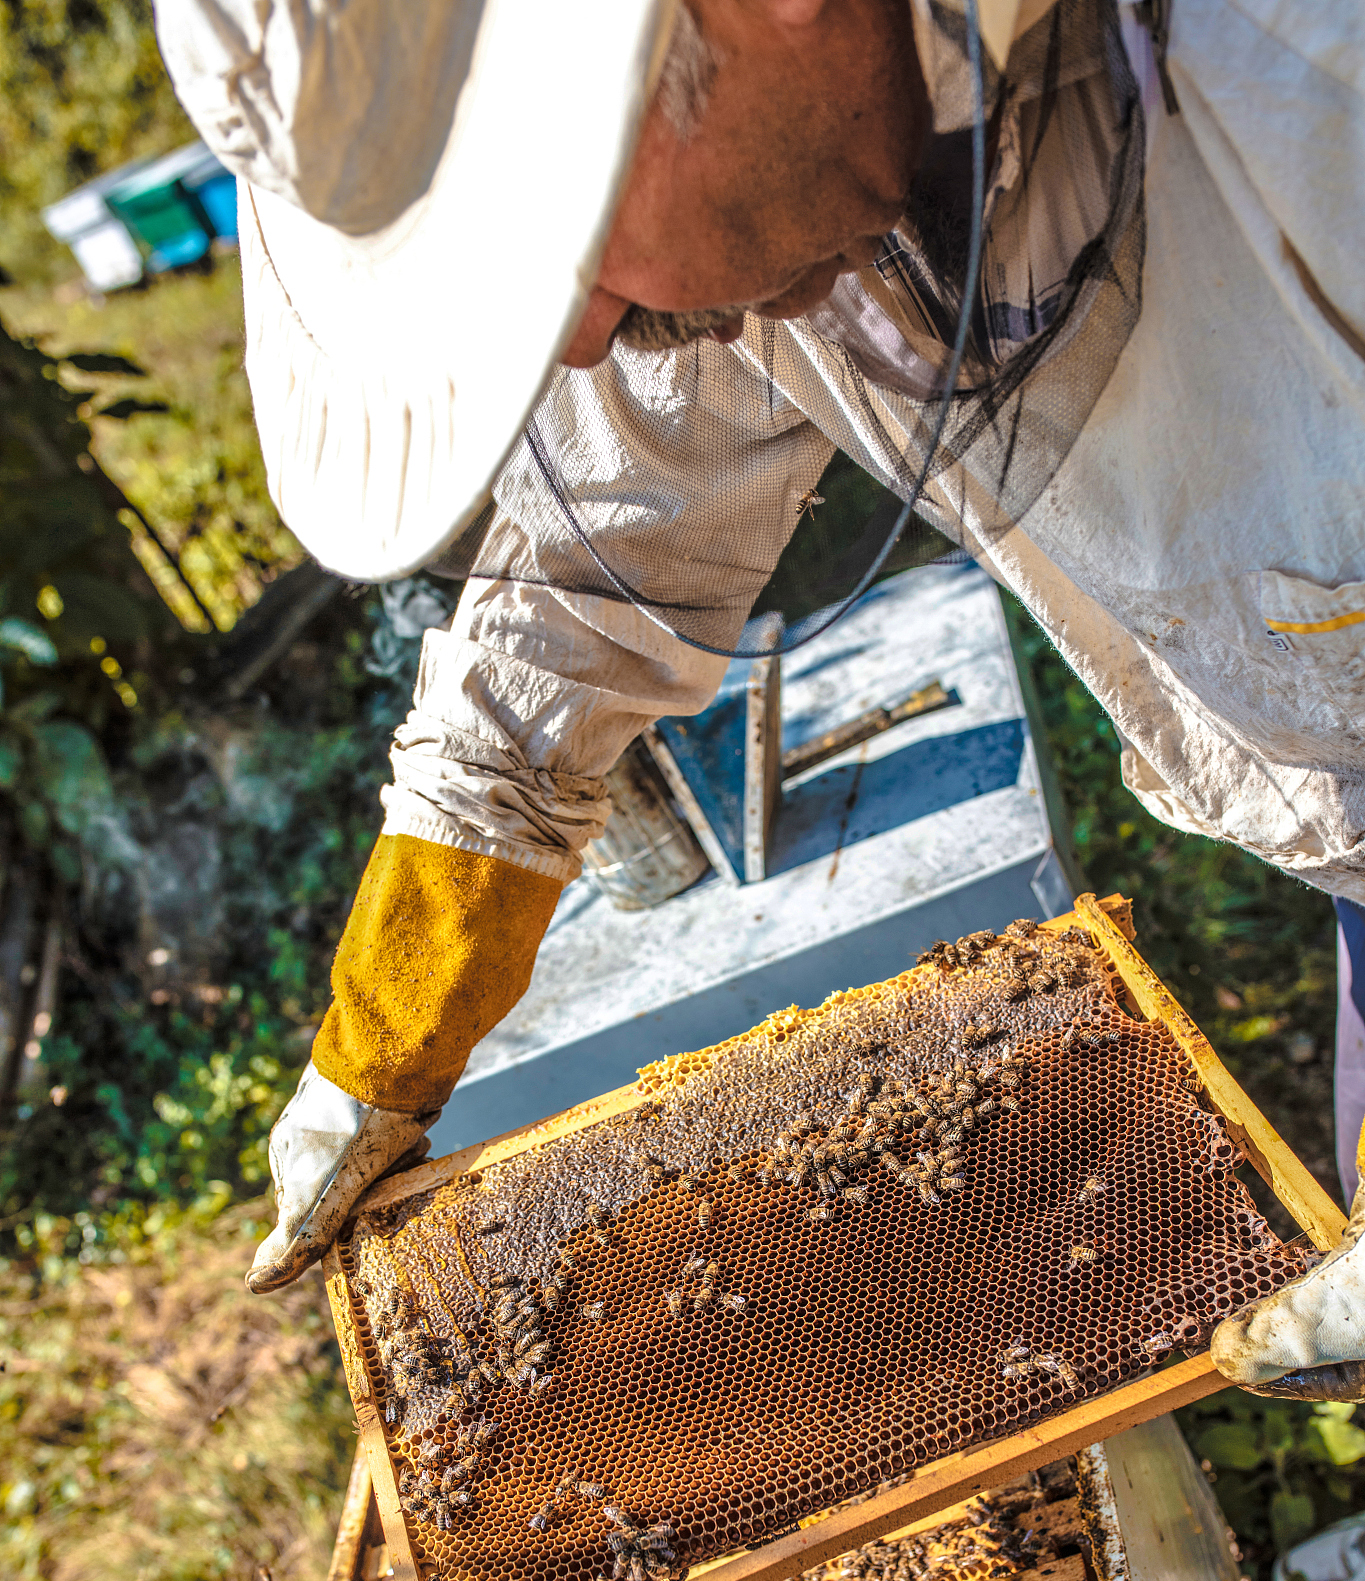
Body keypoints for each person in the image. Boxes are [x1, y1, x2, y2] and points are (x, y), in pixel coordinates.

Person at [157, 0, 1364, 1395]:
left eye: (543, 249)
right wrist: (379, 1041)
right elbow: (575, 597)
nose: (579, 340)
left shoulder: (1303, 60)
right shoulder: (712, 170)